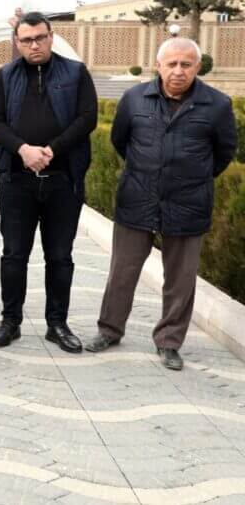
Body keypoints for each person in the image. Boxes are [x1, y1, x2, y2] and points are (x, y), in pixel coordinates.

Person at [85, 37, 237, 370]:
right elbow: (120, 141)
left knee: (181, 279)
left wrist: (191, 177)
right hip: (137, 199)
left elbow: (224, 153)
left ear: (198, 67)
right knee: (122, 272)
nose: (178, 71)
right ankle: (109, 330)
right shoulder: (134, 99)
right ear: (158, 66)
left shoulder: (217, 105)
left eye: (186, 64)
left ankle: (169, 341)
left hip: (188, 203)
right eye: (172, 64)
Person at [0, 11, 97, 354]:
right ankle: (10, 321)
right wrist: (23, 149)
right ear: (17, 42)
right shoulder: (5, 76)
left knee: (60, 256)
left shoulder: (75, 73)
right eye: (27, 40)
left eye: (40, 38)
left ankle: (57, 324)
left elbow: (87, 118)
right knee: (14, 254)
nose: (34, 45)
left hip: (63, 181)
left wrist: (52, 150)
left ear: (51, 37)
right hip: (17, 181)